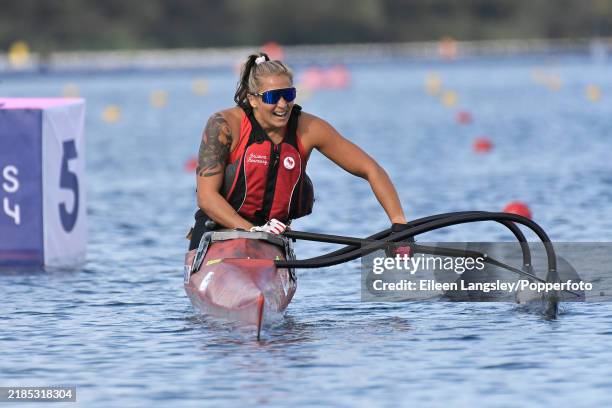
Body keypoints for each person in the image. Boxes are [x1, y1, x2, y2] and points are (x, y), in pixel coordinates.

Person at [188, 52, 407, 250]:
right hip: (216, 227)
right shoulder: (224, 125)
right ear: (253, 99)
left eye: (289, 94)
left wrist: (399, 223)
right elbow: (206, 197)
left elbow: (371, 169)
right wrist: (251, 231)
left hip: (272, 235)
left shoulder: (310, 129)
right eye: (273, 97)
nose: (283, 104)